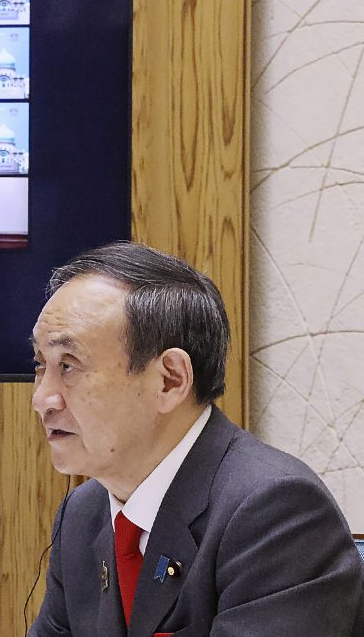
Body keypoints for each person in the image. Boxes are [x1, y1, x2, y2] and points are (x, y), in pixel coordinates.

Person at [28, 242, 364, 636]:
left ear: (170, 380)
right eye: (40, 364)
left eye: (69, 365)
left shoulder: (275, 513)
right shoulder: (82, 514)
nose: (41, 400)